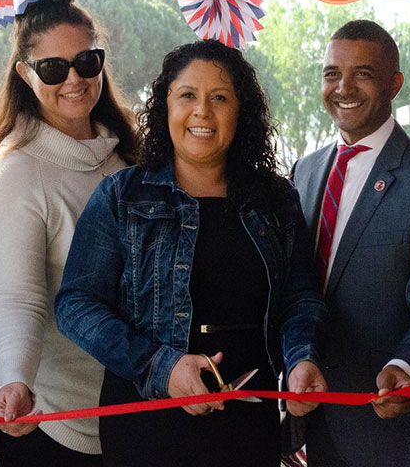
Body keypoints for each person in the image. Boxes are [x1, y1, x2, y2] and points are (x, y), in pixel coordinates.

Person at [55, 39, 327, 466]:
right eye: (187, 96)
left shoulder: (276, 199)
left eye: (220, 97)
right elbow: (75, 306)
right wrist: (162, 368)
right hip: (148, 427)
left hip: (247, 427)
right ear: (165, 105)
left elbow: (300, 297)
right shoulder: (121, 196)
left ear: (242, 112)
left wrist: (301, 359)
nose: (203, 111)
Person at [291, 20, 410, 467]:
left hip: (398, 428)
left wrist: (408, 367)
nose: (344, 87)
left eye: (363, 74)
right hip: (317, 419)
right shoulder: (304, 172)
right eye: (332, 73)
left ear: (394, 83)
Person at [0, 0, 140, 466]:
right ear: (25, 74)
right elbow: (15, 297)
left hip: (134, 411)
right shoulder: (16, 171)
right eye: (53, 68)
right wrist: (17, 381)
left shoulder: (128, 158)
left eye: (86, 62)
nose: (74, 79)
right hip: (48, 421)